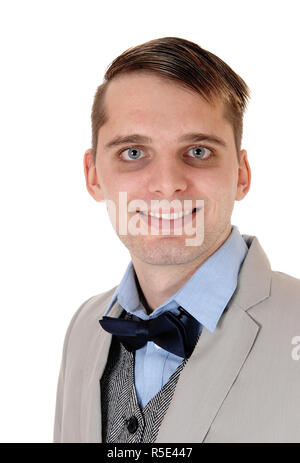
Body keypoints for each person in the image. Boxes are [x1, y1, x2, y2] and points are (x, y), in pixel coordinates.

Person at [53, 36, 300, 443]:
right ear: (93, 175)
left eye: (198, 151)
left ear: (241, 174)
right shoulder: (83, 327)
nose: (167, 185)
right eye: (133, 152)